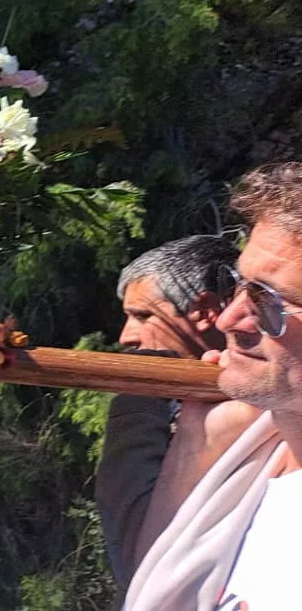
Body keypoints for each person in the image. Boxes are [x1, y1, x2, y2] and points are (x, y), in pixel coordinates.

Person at [122, 163, 302, 611]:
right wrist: (196, 442)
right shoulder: (251, 455)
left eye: (271, 303)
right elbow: (152, 593)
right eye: (239, 286)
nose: (228, 320)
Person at [95, 235, 237, 589]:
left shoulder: (261, 406)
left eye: (142, 316)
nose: (127, 336)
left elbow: (138, 545)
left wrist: (135, 401)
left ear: (205, 311)